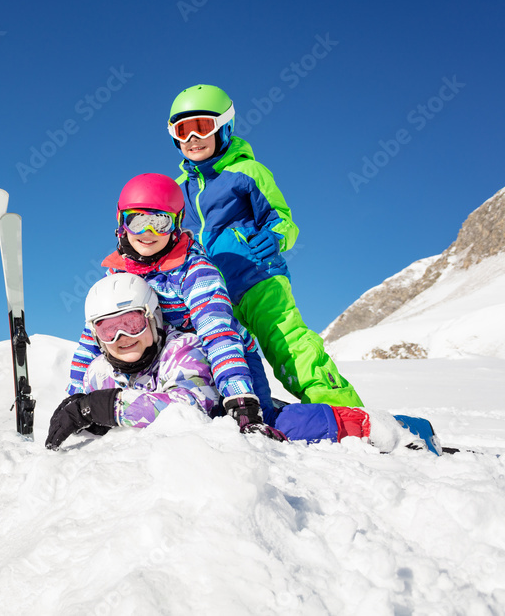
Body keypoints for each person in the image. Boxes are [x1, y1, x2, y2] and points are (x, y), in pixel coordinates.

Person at [47, 274, 444, 455]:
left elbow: (185, 410)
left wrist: (101, 407)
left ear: (152, 319)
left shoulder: (183, 350)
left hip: (233, 412)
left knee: (295, 425)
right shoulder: (100, 370)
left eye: (131, 322)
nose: (122, 339)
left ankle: (396, 428)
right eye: (108, 330)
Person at [167, 84, 362, 407]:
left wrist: (275, 238)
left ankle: (342, 408)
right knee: (227, 354)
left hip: (258, 278)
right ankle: (252, 410)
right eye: (182, 130)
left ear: (224, 126)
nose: (192, 139)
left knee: (287, 343)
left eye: (201, 126)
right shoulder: (177, 191)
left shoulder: (246, 173)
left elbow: (283, 219)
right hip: (210, 292)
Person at [66, 173, 278, 425]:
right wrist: (74, 398)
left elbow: (218, 330)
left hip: (225, 361)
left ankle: (329, 419)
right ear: (121, 222)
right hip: (161, 364)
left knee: (262, 424)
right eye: (137, 220)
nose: (148, 231)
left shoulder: (194, 270)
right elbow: (93, 338)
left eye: (160, 222)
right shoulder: (117, 273)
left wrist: (239, 396)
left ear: (176, 223)